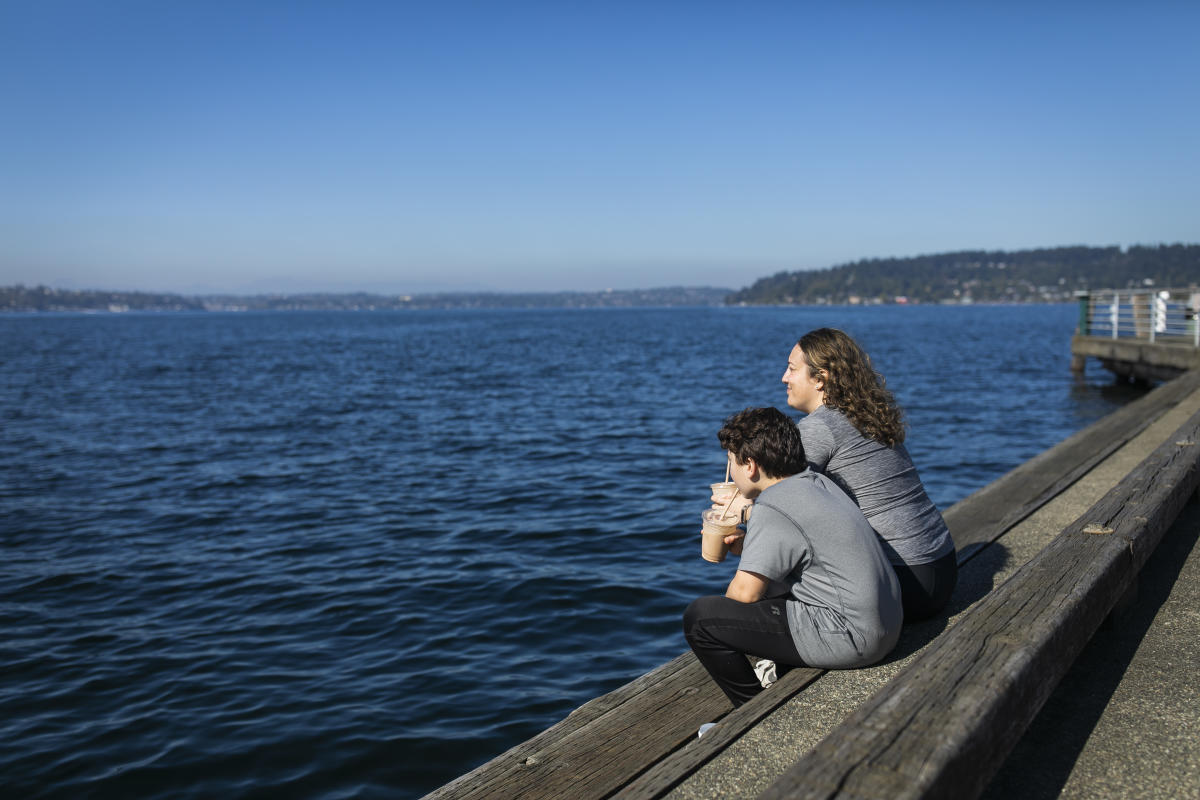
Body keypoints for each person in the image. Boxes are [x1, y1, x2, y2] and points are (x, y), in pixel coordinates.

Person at [683, 407, 903, 709]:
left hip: (855, 639)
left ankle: (751, 713)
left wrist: (733, 623)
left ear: (750, 465)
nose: (730, 470)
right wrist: (751, 549)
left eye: (730, 461)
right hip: (886, 625)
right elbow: (807, 552)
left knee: (701, 619)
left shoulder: (773, 505)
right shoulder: (817, 482)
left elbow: (742, 596)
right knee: (771, 589)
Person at [780, 328, 957, 620]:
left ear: (820, 379)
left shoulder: (818, 428)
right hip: (942, 567)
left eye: (791, 369)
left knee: (780, 571)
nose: (784, 378)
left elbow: (783, 505)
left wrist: (742, 512)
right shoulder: (868, 415)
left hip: (906, 584)